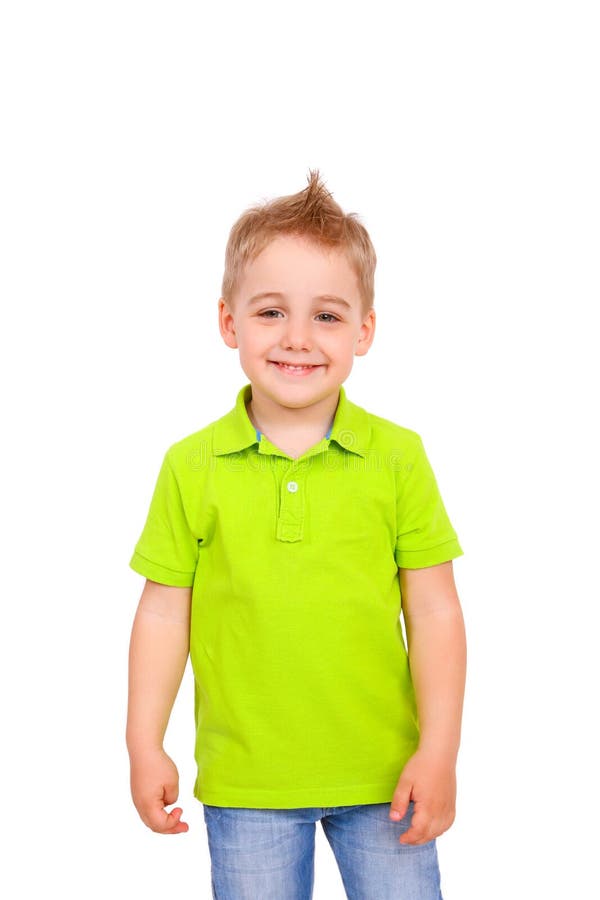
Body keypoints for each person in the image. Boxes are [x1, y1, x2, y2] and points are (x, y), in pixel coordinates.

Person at [126, 169, 467, 900]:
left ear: (365, 330)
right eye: (272, 312)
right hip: (248, 780)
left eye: (328, 316)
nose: (298, 340)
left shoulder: (398, 458)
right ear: (229, 322)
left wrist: (440, 751)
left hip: (388, 778)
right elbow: (162, 613)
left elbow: (436, 610)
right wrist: (142, 741)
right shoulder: (191, 466)